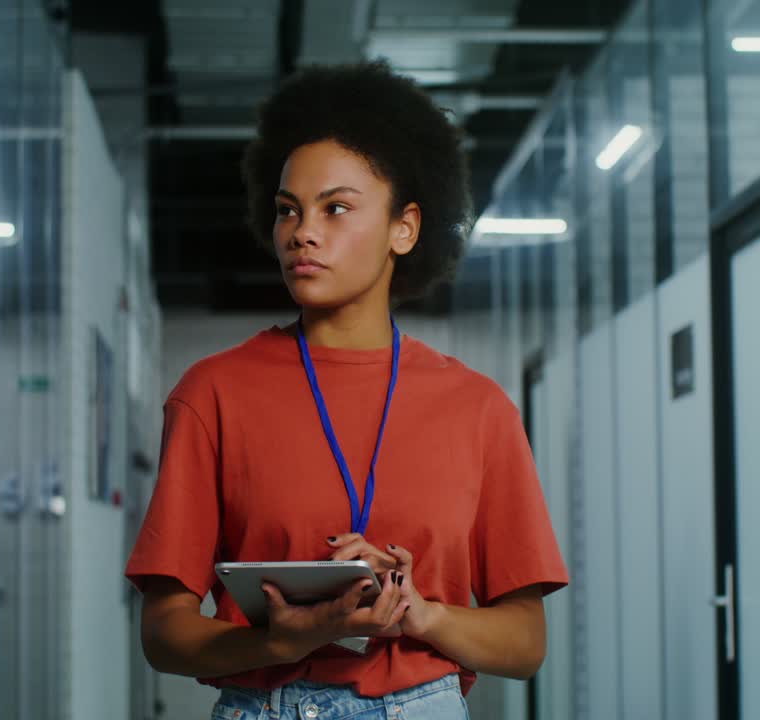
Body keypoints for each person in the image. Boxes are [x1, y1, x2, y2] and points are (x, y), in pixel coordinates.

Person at [125, 61, 568, 719]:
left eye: (336, 208)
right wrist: (276, 642)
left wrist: (420, 612)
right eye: (288, 210)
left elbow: (526, 643)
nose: (302, 232)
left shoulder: (479, 410)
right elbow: (163, 633)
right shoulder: (213, 393)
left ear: (404, 228)